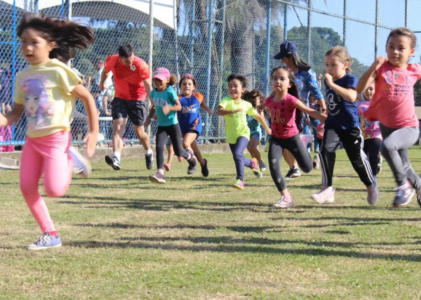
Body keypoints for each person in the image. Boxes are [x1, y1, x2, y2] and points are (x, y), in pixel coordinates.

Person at [0, 13, 98, 250]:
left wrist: (93, 131)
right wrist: (3, 119)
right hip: (33, 141)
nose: (28, 47)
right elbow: (16, 113)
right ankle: (50, 234)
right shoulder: (22, 76)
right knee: (26, 187)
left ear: (50, 45)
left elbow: (87, 98)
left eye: (34, 42)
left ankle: (70, 157)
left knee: (54, 190)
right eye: (24, 42)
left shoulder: (59, 71)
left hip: (57, 140)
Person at [357, 28, 421, 207]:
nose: (395, 51)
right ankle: (418, 186)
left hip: (409, 128)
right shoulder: (382, 69)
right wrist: (373, 67)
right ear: (385, 48)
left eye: (401, 48)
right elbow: (360, 89)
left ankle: (403, 186)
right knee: (405, 166)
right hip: (387, 127)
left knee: (386, 147)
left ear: (411, 52)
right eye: (391, 47)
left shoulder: (414, 70)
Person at [311, 46, 379, 205]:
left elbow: (351, 96)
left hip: (350, 127)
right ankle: (327, 188)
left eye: (333, 65)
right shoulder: (330, 81)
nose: (329, 68)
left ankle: (371, 185)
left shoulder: (349, 79)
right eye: (327, 65)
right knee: (325, 150)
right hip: (332, 125)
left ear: (345, 64)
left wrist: (332, 84)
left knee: (357, 160)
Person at [262, 67, 326, 208]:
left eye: (282, 78)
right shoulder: (270, 100)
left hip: (292, 138)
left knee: (307, 168)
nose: (277, 81)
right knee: (273, 166)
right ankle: (286, 198)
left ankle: (312, 158)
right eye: (275, 78)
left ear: (289, 84)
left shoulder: (291, 100)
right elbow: (260, 107)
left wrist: (324, 117)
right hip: (276, 139)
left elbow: (309, 111)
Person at [274, 41, 326, 180]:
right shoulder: (285, 72)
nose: (282, 61)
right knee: (283, 141)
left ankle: (310, 160)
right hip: (284, 111)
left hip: (300, 113)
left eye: (284, 57)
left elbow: (316, 91)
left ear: (291, 56)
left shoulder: (307, 73)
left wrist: (323, 109)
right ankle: (294, 168)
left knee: (292, 141)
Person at [100, 44, 153, 171]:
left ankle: (149, 152)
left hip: (138, 99)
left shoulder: (141, 65)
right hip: (120, 97)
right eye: (126, 61)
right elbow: (105, 71)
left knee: (139, 132)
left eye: (131, 60)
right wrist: (102, 83)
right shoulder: (112, 60)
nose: (130, 63)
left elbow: (148, 86)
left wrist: (153, 103)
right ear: (120, 58)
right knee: (118, 126)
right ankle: (116, 159)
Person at [217, 74, 271, 190]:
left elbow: (258, 116)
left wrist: (267, 128)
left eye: (235, 86)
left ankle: (240, 180)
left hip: (243, 133)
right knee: (238, 156)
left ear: (243, 90)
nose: (232, 89)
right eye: (230, 86)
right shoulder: (226, 100)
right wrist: (233, 110)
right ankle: (253, 164)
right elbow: (219, 112)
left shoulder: (246, 104)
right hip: (231, 135)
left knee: (237, 154)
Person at [147, 67, 197, 184]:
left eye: (160, 80)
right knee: (159, 146)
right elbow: (154, 107)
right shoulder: (153, 92)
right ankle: (160, 173)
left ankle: (191, 158)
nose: (157, 82)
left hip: (173, 126)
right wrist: (149, 118)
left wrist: (169, 108)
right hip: (161, 126)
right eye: (155, 80)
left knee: (179, 152)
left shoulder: (170, 91)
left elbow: (179, 107)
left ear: (167, 80)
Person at [177, 73, 213, 176]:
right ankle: (203, 163)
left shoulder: (198, 96)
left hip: (194, 126)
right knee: (195, 149)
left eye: (189, 84)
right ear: (180, 87)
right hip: (183, 127)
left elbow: (202, 104)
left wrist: (209, 110)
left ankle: (192, 164)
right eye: (184, 84)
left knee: (185, 143)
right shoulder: (178, 99)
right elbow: (174, 112)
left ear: (194, 87)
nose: (186, 86)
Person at [357, 82, 383, 176]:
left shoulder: (380, 103)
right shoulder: (360, 105)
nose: (368, 91)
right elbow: (356, 119)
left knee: (373, 155)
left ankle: (372, 177)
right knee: (363, 156)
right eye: (366, 89)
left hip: (377, 134)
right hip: (364, 136)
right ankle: (373, 167)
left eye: (371, 89)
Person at [244, 89, 267, 175]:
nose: (254, 99)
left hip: (256, 132)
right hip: (246, 133)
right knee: (251, 151)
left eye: (256, 98)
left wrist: (261, 113)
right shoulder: (246, 107)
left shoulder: (259, 109)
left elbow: (262, 121)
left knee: (253, 147)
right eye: (252, 98)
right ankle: (255, 167)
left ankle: (261, 162)